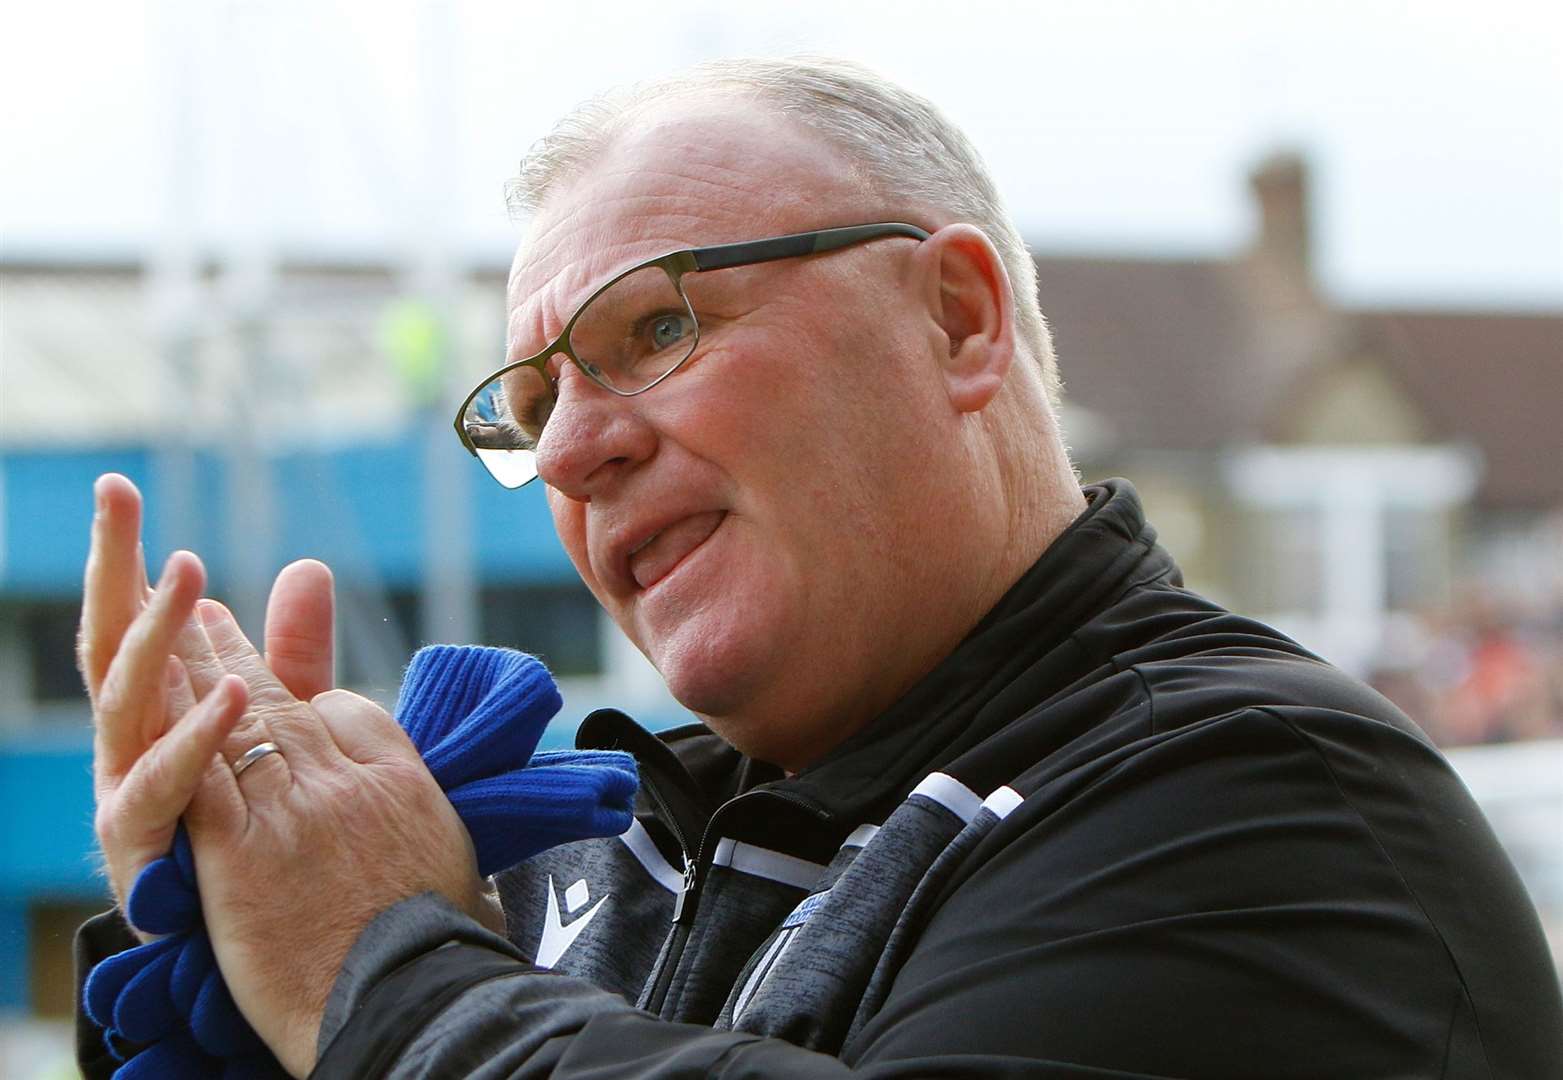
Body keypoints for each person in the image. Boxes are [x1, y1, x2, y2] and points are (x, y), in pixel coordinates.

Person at [76, 57, 1562, 1078]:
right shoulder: (583, 859)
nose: (580, 447)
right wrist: (230, 938)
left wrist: (371, 971)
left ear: (961, 321)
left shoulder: (1267, 801)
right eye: (529, 416)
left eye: (655, 330)